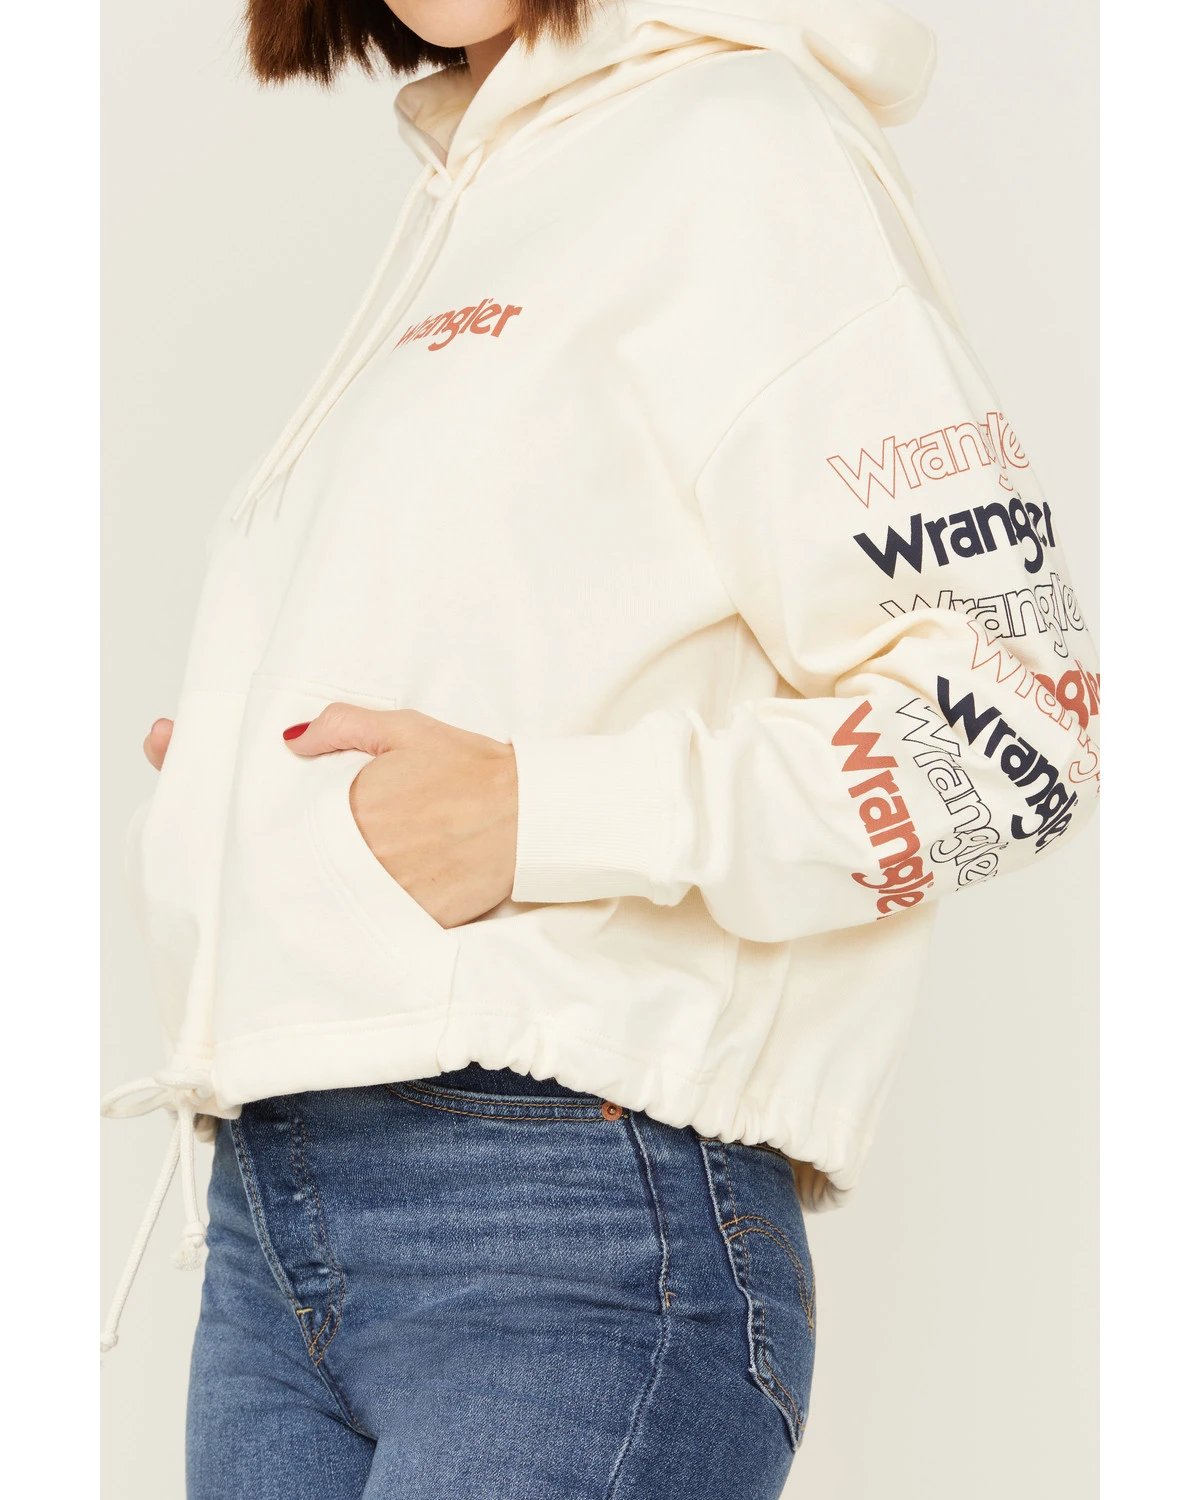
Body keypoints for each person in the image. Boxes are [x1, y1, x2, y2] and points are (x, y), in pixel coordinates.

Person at [101, 0, 1101, 1495]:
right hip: (273, 1221)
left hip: (573, 1223)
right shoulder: (470, 199)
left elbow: (1022, 728)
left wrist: (535, 815)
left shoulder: (741, 147)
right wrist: (251, 803)